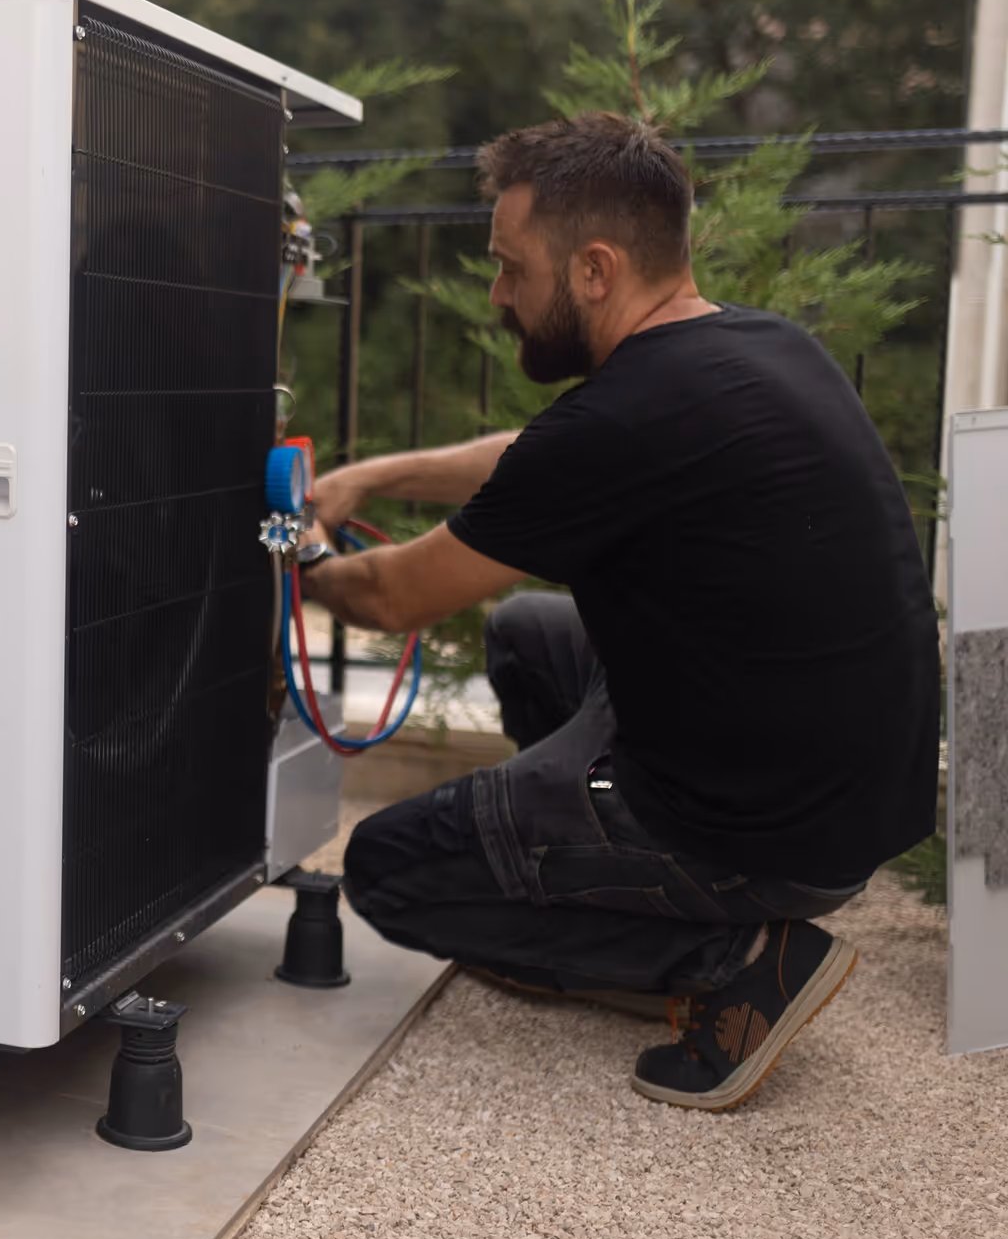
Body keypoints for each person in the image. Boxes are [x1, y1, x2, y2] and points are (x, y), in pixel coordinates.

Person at [293, 111, 940, 1112]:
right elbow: (532, 453)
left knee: (387, 867)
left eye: (512, 269)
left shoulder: (625, 418)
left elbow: (388, 595)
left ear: (593, 270)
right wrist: (373, 477)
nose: (500, 294)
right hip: (822, 790)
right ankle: (592, 863)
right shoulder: (750, 347)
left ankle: (727, 953)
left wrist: (298, 560)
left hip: (753, 833)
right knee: (521, 631)